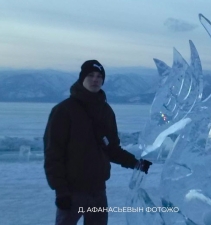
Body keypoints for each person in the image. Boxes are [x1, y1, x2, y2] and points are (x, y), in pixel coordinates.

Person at [43, 59, 152, 225]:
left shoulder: (106, 111)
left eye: (99, 76)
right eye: (91, 75)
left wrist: (136, 163)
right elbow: (53, 153)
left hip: (98, 190)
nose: (95, 79)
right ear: (82, 78)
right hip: (72, 191)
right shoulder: (64, 111)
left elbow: (112, 149)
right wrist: (60, 191)